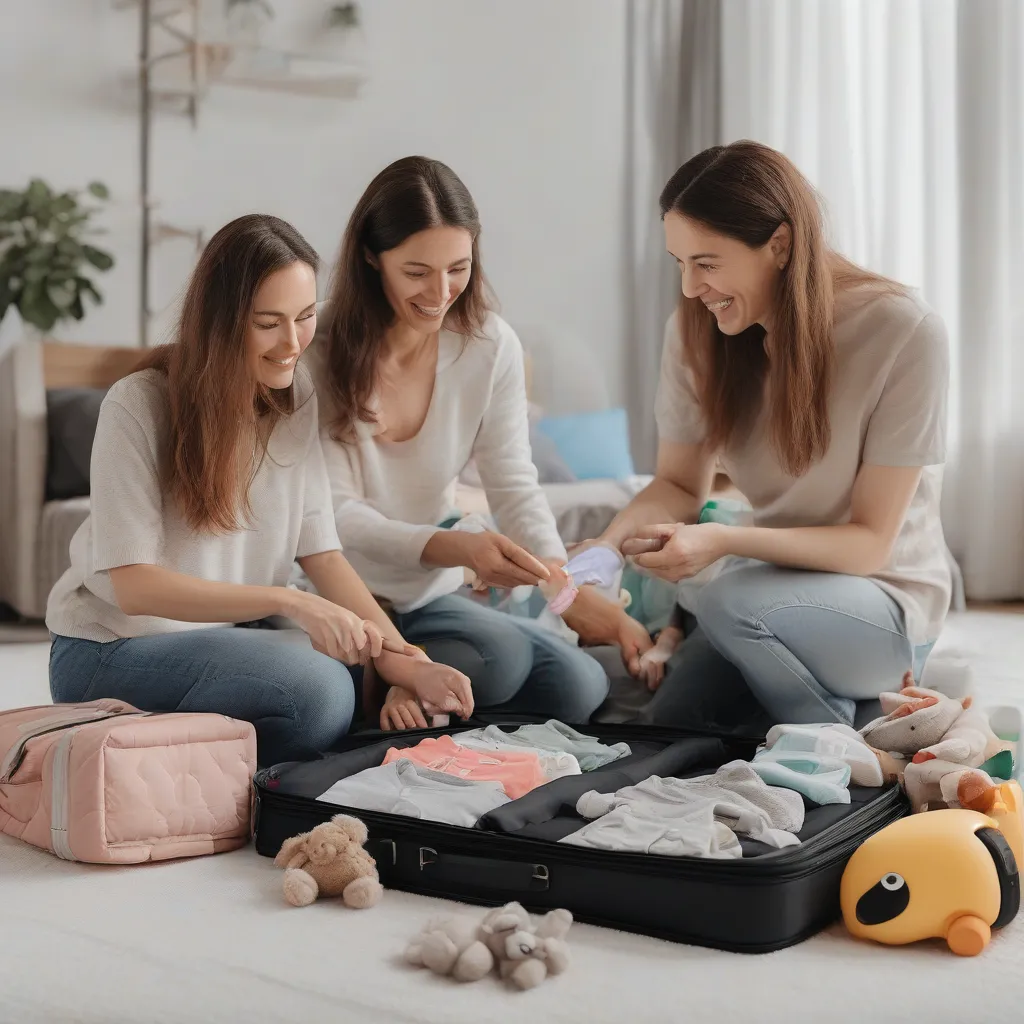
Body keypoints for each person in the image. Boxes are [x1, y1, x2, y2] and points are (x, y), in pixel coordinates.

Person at [46, 214, 473, 767]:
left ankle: (201, 751)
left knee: (351, 664)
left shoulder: (294, 397)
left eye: (305, 316)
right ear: (221, 323)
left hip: (224, 637)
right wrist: (290, 602)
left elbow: (322, 554)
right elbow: (134, 588)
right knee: (317, 691)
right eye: (268, 323)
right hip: (112, 648)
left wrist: (405, 662)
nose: (292, 343)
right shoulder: (138, 404)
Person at [592, 140, 951, 731]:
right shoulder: (694, 334)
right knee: (667, 725)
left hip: (883, 602)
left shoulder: (905, 332)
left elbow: (868, 544)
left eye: (706, 263)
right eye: (679, 264)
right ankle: (848, 715)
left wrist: (724, 543)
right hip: (767, 594)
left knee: (726, 598)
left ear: (779, 245)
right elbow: (680, 483)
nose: (689, 288)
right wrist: (608, 544)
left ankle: (851, 750)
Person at [309, 156, 651, 731]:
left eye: (458, 268)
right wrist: (461, 549)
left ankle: (408, 682)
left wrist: (561, 588)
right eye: (416, 271)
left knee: (579, 686)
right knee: (504, 658)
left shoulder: (488, 346)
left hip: (425, 595)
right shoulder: (316, 348)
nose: (439, 292)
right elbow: (336, 520)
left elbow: (514, 482)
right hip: (341, 595)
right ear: (372, 257)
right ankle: (400, 675)